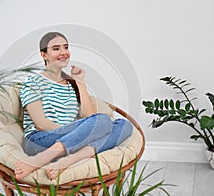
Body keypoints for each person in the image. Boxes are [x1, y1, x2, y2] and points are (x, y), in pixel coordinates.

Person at [15, 32, 133, 180]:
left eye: (65, 47)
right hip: (39, 141)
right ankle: (39, 160)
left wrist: (80, 81)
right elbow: (41, 123)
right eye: (56, 48)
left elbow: (91, 118)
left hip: (69, 142)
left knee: (124, 125)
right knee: (103, 120)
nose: (63, 52)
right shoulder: (32, 82)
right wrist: (77, 136)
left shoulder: (71, 85)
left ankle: (69, 160)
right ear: (44, 55)